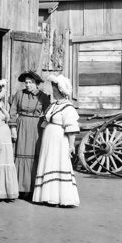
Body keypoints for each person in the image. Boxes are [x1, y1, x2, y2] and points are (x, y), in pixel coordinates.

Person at [32, 75, 80, 207]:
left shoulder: (68, 108)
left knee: (58, 164)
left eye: (54, 89)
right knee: (48, 163)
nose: (53, 92)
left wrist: (71, 146)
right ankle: (47, 197)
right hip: (48, 141)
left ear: (60, 91)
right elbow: (45, 120)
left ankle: (60, 198)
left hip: (59, 141)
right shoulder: (53, 105)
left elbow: (72, 128)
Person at [8, 70, 50, 197]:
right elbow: (13, 112)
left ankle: (32, 188)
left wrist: (43, 128)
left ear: (36, 84)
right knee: (19, 154)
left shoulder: (43, 96)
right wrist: (13, 128)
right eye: (26, 82)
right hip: (20, 127)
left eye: (30, 83)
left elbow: (49, 114)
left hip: (35, 129)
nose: (27, 85)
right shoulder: (19, 94)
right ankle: (18, 187)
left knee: (33, 155)